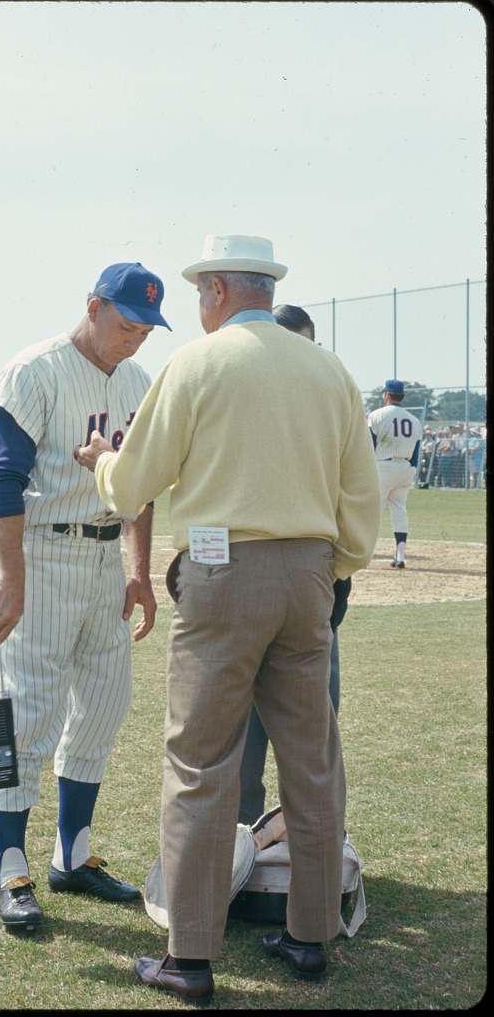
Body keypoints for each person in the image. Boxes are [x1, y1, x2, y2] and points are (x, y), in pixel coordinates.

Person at [76, 234, 381, 1001]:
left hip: (220, 570)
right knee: (311, 763)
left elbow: (135, 481)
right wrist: (330, 566)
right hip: (310, 574)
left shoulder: (195, 363)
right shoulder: (329, 369)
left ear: (214, 290)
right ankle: (310, 935)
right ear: (264, 289)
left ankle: (190, 954)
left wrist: (100, 463)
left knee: (200, 763)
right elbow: (359, 501)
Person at [0, 261, 171, 932]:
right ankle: (11, 868)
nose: (135, 340)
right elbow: (1, 477)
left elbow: (141, 484)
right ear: (93, 306)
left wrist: (138, 569)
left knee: (102, 711)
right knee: (23, 715)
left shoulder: (140, 381)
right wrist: (9, 578)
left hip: (102, 561)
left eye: (147, 330)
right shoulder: (36, 369)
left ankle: (72, 857)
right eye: (125, 325)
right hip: (42, 549)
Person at [238, 303, 344, 827]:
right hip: (261, 590)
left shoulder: (332, 393)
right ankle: (241, 847)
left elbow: (354, 495)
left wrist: (337, 575)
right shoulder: (246, 397)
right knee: (242, 746)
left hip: (315, 600)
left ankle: (318, 845)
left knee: (314, 739)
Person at [367, 380, 422, 568]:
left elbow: (369, 446)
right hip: (406, 467)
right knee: (400, 511)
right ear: (402, 395)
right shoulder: (414, 420)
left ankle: (365, 554)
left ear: (387, 395)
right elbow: (416, 453)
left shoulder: (376, 415)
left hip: (383, 466)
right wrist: (411, 469)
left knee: (373, 511)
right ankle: (400, 557)